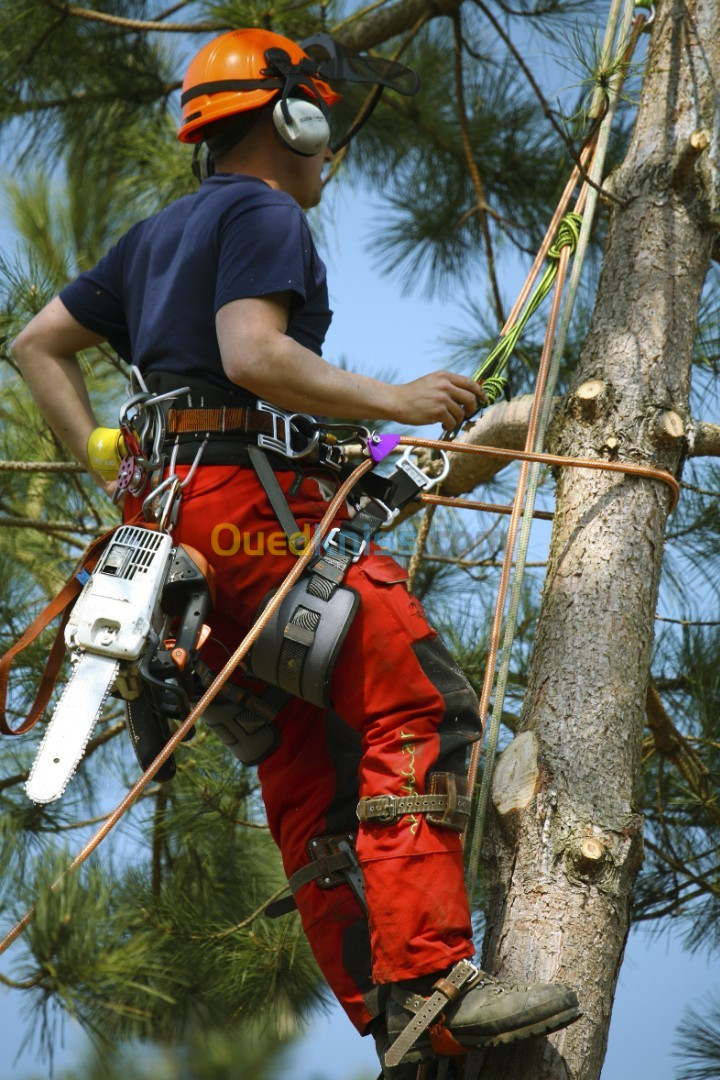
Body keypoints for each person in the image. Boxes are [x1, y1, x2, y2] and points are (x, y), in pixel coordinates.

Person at [11, 28, 579, 1077]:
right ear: (294, 118)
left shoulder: (154, 234)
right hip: (252, 517)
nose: (330, 152)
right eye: (325, 122)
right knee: (418, 703)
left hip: (174, 531)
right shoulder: (265, 210)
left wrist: (111, 462)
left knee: (305, 760)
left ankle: (398, 1030)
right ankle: (430, 978)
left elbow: (36, 344)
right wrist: (400, 399)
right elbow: (253, 356)